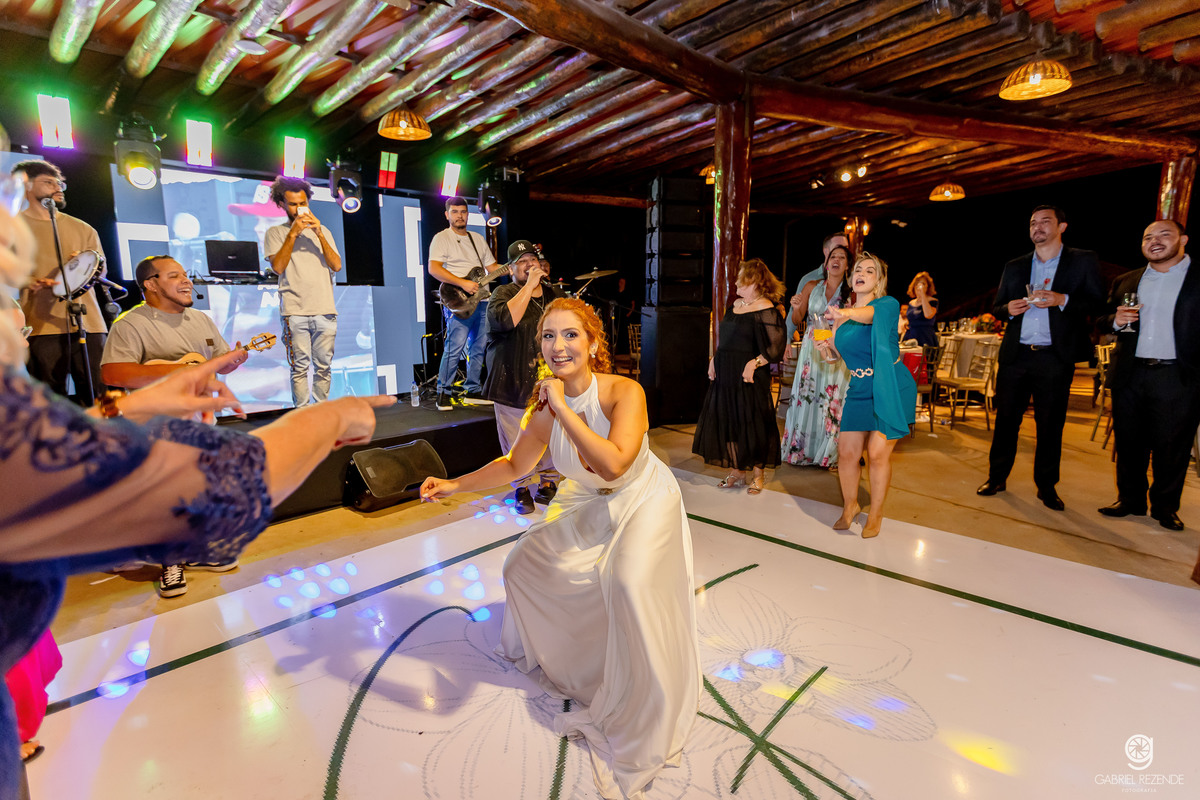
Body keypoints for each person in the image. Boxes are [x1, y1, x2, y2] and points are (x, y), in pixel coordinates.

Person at [0, 186, 393, 798]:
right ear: (149, 284)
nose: (24, 322)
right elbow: (219, 487)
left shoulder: (201, 321)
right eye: (10, 301)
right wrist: (330, 417)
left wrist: (143, 401)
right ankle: (169, 563)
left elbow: (187, 375)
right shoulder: (123, 329)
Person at [420, 298, 699, 800]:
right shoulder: (543, 408)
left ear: (593, 343)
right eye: (548, 336)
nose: (558, 346)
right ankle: (581, 665)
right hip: (587, 499)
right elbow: (514, 465)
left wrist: (564, 409)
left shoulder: (624, 392)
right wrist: (454, 484)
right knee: (522, 563)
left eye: (570, 335)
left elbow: (614, 465)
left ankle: (646, 692)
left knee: (627, 582)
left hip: (642, 498)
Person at [101, 254, 250, 597]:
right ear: (150, 284)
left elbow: (217, 364)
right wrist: (178, 371)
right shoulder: (130, 324)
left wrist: (234, 361)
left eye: (185, 274)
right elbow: (113, 372)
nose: (186, 281)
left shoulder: (201, 320)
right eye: (174, 275)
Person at [977, 205, 1103, 510]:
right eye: (1033, 222)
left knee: (1050, 425)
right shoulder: (1015, 265)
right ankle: (996, 478)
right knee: (1006, 421)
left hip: (1054, 358)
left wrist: (1062, 299)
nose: (1038, 227)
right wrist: (1008, 310)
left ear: (1062, 227)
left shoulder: (1082, 260)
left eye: (1045, 221)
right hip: (1016, 355)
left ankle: (1046, 487)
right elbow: (998, 306)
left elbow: (1098, 304)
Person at [1097, 219, 1200, 531]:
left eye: (1164, 235)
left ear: (1183, 239)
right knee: (1129, 443)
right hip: (1130, 374)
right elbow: (1101, 319)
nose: (1154, 241)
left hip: (1177, 375)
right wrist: (1115, 321)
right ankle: (1130, 500)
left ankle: (1165, 508)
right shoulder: (1127, 280)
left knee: (1172, 446)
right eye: (1147, 237)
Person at [822, 253, 917, 538]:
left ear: (878, 281)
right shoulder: (843, 316)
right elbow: (837, 357)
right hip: (860, 388)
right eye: (858, 270)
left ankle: (875, 513)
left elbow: (868, 315)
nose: (861, 274)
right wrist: (826, 350)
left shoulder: (886, 305)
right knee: (847, 453)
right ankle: (850, 506)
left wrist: (844, 313)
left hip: (890, 386)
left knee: (876, 454)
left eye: (869, 271)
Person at [11, 160, 108, 406]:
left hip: (88, 322)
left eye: (59, 183)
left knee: (98, 395)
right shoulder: (12, 228)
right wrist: (30, 282)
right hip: (41, 324)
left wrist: (84, 264)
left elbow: (102, 271)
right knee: (49, 399)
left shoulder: (83, 228)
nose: (57, 188)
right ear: (27, 186)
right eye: (48, 182)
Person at [692, 258, 787, 494]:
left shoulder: (767, 309)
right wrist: (715, 358)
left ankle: (758, 474)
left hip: (749, 376)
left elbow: (775, 348)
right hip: (726, 370)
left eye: (740, 278)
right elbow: (726, 339)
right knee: (730, 419)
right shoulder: (734, 305)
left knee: (753, 422)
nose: (735, 282)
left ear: (754, 281)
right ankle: (737, 470)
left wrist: (754, 364)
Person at [483, 239, 564, 514]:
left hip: (546, 380)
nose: (529, 265)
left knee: (551, 434)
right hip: (510, 381)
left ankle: (548, 483)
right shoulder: (502, 293)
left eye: (533, 260)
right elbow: (506, 321)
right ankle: (521, 487)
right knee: (515, 438)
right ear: (510, 269)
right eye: (522, 262)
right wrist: (529, 286)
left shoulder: (554, 295)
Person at [264, 175, 342, 407]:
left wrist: (319, 233)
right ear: (282, 204)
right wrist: (293, 234)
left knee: (324, 366)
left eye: (302, 203)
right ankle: (302, 414)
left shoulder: (323, 230)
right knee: (300, 367)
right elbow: (278, 267)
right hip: (294, 310)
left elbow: (336, 265)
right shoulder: (275, 232)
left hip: (324, 308)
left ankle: (319, 411)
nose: (299, 209)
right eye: (293, 204)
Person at [781, 244, 852, 468]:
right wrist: (796, 307)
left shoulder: (850, 292)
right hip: (812, 347)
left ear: (847, 265)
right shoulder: (812, 286)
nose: (836, 260)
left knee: (832, 399)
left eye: (842, 257)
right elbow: (797, 319)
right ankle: (802, 450)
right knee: (809, 395)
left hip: (837, 346)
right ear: (826, 263)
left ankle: (828, 453)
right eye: (833, 256)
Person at [428, 196, 497, 410]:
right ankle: (443, 392)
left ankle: (473, 390)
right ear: (447, 214)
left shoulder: (477, 239)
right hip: (460, 301)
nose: (460, 216)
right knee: (454, 347)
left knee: (479, 347)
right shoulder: (442, 238)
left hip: (483, 300)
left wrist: (515, 267)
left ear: (468, 214)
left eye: (463, 212)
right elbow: (434, 268)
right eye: (455, 211)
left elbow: (492, 268)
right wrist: (462, 283)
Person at [785, 232, 849, 362]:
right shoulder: (810, 281)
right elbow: (795, 315)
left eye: (844, 249)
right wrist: (787, 339)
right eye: (834, 253)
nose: (837, 258)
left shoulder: (852, 286)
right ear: (826, 252)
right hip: (813, 344)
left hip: (839, 345)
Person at [902, 271, 939, 347]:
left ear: (927, 287)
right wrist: (908, 324)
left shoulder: (933, 301)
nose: (919, 286)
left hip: (925, 337)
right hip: (910, 336)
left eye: (923, 284)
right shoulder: (911, 302)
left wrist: (922, 295)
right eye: (917, 284)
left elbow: (928, 315)